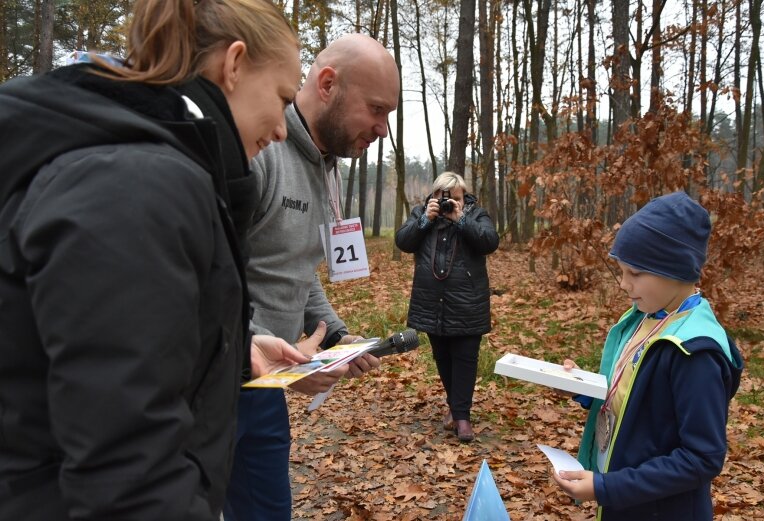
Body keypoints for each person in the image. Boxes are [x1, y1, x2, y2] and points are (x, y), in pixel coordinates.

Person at [0, 1, 309, 519]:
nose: (281, 129)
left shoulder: (135, 159)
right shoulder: (134, 182)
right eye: (282, 99)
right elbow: (127, 471)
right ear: (233, 65)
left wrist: (227, 347)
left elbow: (102, 350)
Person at [224, 33, 399, 521]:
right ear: (327, 84)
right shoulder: (259, 150)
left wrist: (340, 335)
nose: (383, 129)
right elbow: (205, 275)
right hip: (218, 381)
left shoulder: (328, 168)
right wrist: (254, 348)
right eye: (377, 110)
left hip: (268, 387)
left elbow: (298, 266)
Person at [552, 192, 744, 520]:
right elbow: (635, 396)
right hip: (625, 500)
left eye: (636, 273)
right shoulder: (648, 316)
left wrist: (604, 488)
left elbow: (702, 458)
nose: (624, 284)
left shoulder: (694, 353)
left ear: (677, 269)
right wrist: (583, 388)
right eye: (622, 271)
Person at [394, 172, 499, 443]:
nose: (449, 202)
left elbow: (490, 242)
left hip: (467, 302)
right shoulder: (422, 213)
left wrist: (461, 219)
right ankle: (456, 408)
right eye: (444, 197)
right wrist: (423, 221)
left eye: (456, 197)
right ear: (434, 196)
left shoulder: (476, 215)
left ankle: (462, 416)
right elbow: (403, 242)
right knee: (442, 356)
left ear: (465, 197)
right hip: (432, 301)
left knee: (465, 356)